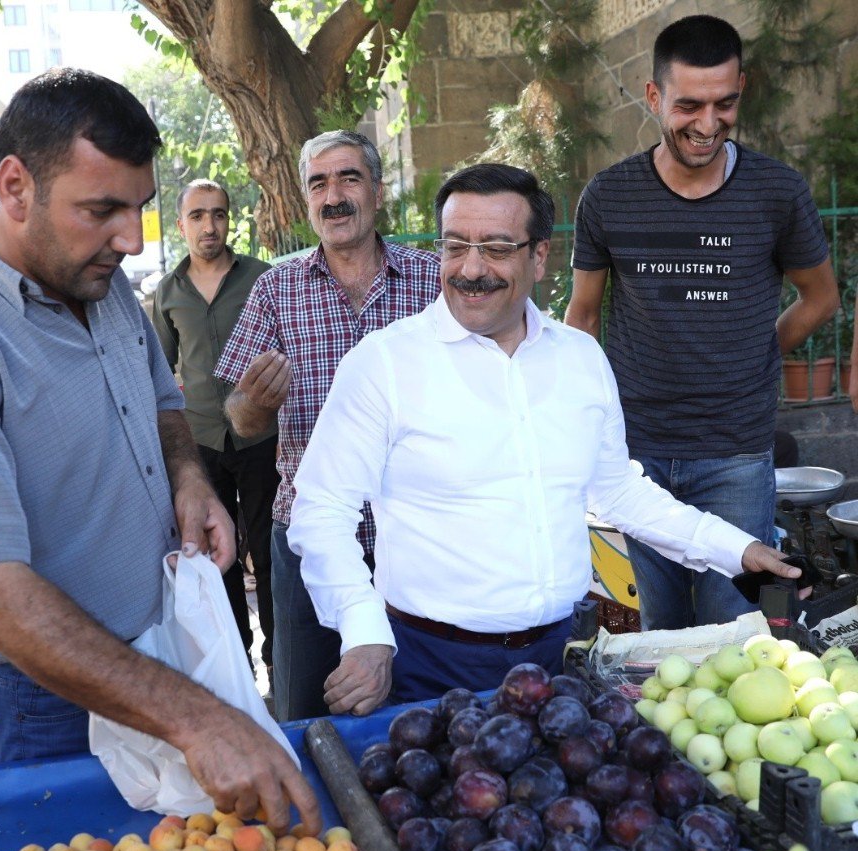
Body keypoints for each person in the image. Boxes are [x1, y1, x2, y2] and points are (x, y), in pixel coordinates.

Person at [0, 69, 319, 833]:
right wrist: (199, 718)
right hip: (36, 699)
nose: (132, 239)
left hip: (151, 648)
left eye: (139, 208)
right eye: (102, 209)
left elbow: (165, 403)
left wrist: (189, 482)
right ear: (16, 186)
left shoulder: (100, 280)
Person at [287, 162, 802, 714]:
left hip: (563, 664)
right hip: (427, 668)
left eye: (496, 248)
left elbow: (618, 492)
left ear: (539, 256)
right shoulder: (383, 365)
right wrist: (364, 632)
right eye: (455, 245)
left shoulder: (581, 360)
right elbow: (321, 510)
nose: (470, 268)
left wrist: (736, 549)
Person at [565, 15, 839, 630]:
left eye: (725, 103)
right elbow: (581, 317)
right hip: (638, 456)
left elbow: (820, 299)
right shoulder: (608, 196)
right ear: (654, 95)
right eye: (689, 105)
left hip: (737, 452)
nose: (708, 124)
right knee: (662, 634)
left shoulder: (777, 191)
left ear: (740, 87)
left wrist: (755, 353)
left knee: (740, 633)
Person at [214, 130, 440, 722]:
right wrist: (258, 404)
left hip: (418, 534)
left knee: (423, 708)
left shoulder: (433, 281)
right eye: (319, 183)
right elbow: (237, 416)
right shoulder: (276, 289)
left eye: (349, 179)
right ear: (305, 200)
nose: (334, 196)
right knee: (311, 709)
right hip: (308, 540)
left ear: (378, 192)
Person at [152, 180, 278, 687]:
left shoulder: (262, 279)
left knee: (271, 554)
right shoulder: (167, 293)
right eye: (199, 216)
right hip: (201, 444)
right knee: (215, 559)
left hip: (262, 436)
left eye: (220, 214)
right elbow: (159, 375)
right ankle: (237, 673)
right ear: (181, 224)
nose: (210, 226)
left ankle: (280, 663)